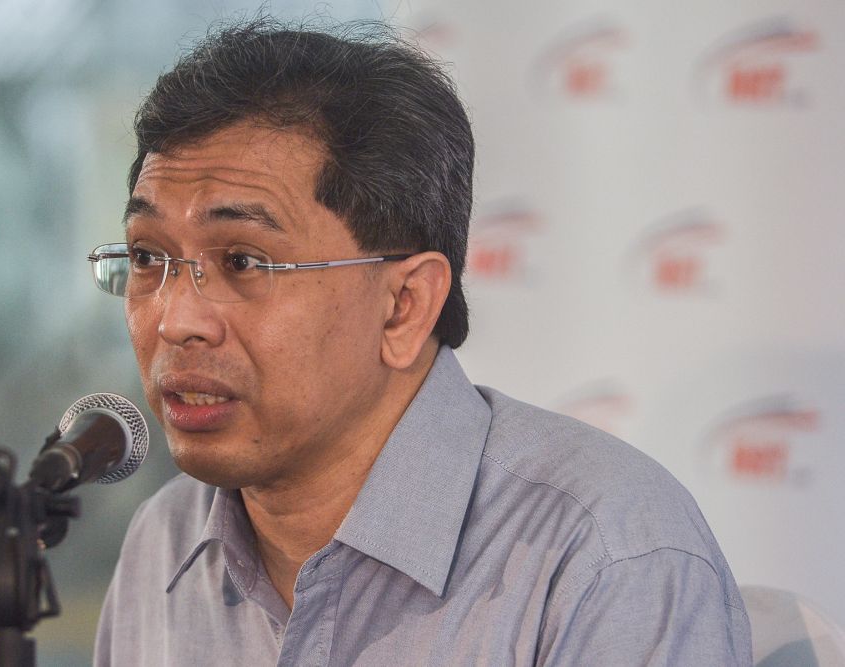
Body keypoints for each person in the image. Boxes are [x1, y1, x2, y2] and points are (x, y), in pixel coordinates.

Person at [91, 17, 752, 665]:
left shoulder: (603, 554)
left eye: (243, 261)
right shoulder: (165, 542)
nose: (175, 319)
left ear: (404, 306)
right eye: (149, 256)